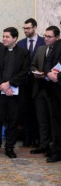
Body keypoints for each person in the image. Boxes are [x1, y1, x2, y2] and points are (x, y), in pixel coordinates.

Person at [0, 27, 29, 159]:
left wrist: (10, 84)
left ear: (14, 38)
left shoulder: (23, 53)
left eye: (7, 37)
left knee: (12, 122)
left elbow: (24, 71)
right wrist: (3, 86)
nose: (4, 39)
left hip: (14, 93)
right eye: (3, 36)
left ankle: (9, 147)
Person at [30, 26, 60, 155]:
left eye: (49, 36)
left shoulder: (58, 49)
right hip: (39, 88)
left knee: (55, 120)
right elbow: (33, 65)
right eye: (45, 36)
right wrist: (37, 72)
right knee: (42, 119)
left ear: (57, 37)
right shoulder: (41, 49)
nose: (46, 39)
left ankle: (55, 147)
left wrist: (49, 75)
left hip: (54, 90)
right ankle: (44, 145)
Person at [17, 18, 45, 147]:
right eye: (24, 28)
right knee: (25, 111)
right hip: (23, 83)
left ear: (34, 27)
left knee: (38, 112)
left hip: (39, 83)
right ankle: (27, 138)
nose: (26, 31)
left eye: (28, 28)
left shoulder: (43, 42)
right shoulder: (21, 43)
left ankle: (38, 138)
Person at [44, 34, 61, 162]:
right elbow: (48, 60)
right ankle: (57, 150)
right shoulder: (58, 44)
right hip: (56, 90)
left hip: (58, 81)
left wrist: (58, 77)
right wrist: (49, 73)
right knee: (56, 121)